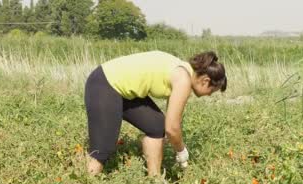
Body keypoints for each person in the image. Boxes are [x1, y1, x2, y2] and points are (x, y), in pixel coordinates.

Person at [84, 50, 227, 177]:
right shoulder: (183, 79)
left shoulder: (183, 72)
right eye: (212, 91)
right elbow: (172, 129)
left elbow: (170, 122)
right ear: (205, 80)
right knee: (102, 150)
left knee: (157, 126)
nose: (209, 95)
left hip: (124, 91)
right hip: (105, 83)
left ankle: (154, 180)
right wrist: (181, 151)